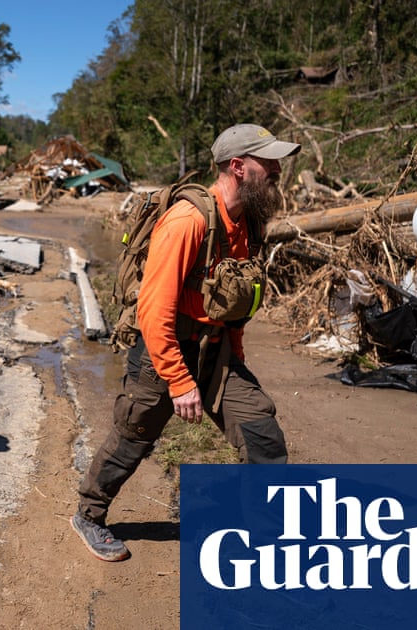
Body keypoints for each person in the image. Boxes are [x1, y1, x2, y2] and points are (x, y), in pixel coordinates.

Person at [72, 124, 300, 561]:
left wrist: (235, 354)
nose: (276, 170)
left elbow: (235, 297)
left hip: (217, 351)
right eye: (268, 162)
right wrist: (178, 381)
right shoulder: (187, 221)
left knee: (262, 433)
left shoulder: (249, 221)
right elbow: (153, 312)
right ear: (238, 166)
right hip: (164, 351)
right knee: (133, 435)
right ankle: (89, 515)